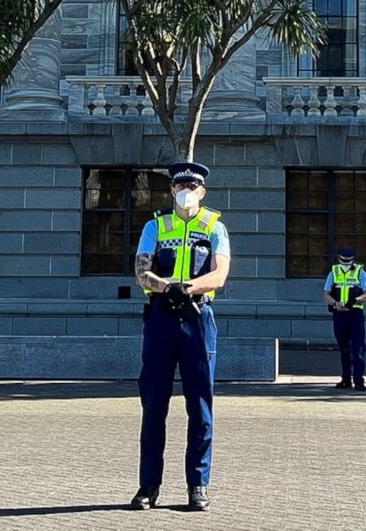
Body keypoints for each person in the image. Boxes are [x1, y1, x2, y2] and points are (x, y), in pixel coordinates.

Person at [129, 162, 230, 512]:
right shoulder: (155, 226)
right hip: (161, 316)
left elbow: (219, 274)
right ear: (171, 190)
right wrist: (164, 287)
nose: (186, 191)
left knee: (200, 406)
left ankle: (198, 485)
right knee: (154, 404)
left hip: (198, 316)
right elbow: (142, 270)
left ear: (203, 191)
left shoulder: (215, 226)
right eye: (180, 185)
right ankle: (148, 486)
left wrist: (188, 288)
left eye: (193, 186)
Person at [323, 248, 366, 391]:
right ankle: (346, 379)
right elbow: (326, 294)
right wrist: (335, 303)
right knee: (344, 348)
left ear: (353, 260)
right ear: (339, 259)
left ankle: (359, 381)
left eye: (348, 260)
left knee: (357, 349)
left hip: (355, 314)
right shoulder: (334, 272)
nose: (345, 263)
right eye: (343, 260)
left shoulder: (360, 273)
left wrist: (354, 300)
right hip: (339, 314)